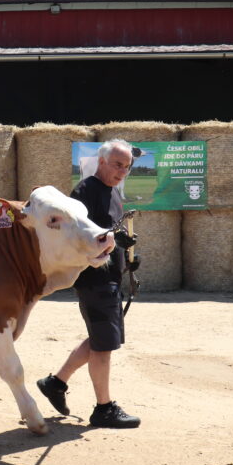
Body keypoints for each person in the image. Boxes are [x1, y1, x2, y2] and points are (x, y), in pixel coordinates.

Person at [36, 139, 141, 428]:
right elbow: (80, 234)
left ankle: (55, 383)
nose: (122, 171)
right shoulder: (85, 192)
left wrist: (127, 253)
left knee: (103, 338)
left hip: (108, 277)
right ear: (102, 161)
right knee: (104, 344)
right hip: (94, 278)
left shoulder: (111, 192)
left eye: (127, 167)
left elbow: (110, 234)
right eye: (118, 165)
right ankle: (103, 408)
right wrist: (114, 242)